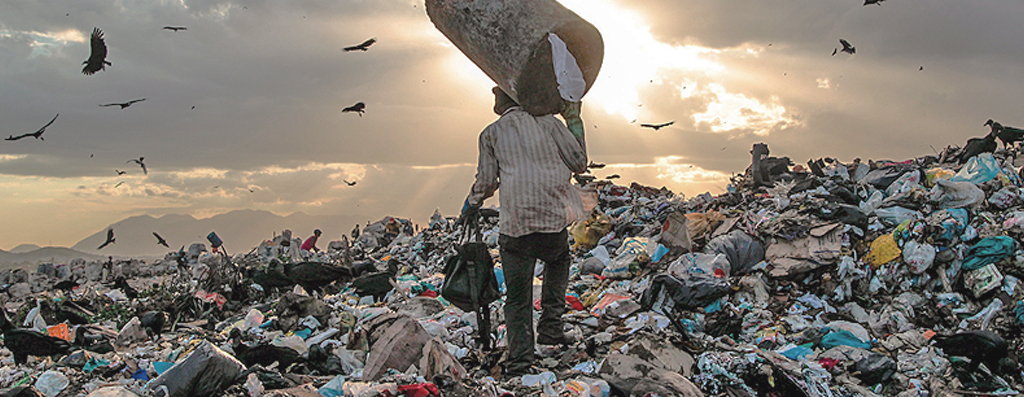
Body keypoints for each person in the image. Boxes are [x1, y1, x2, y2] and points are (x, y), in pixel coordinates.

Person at [462, 87, 590, 377]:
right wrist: (574, 121)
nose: (493, 94)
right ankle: (550, 330)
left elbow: (486, 181)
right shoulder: (551, 123)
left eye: (498, 91)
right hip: (552, 221)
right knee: (558, 262)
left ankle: (521, 361)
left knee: (517, 299)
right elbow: (580, 163)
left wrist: (471, 203)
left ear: (508, 97)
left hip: (516, 227)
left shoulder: (491, 133)